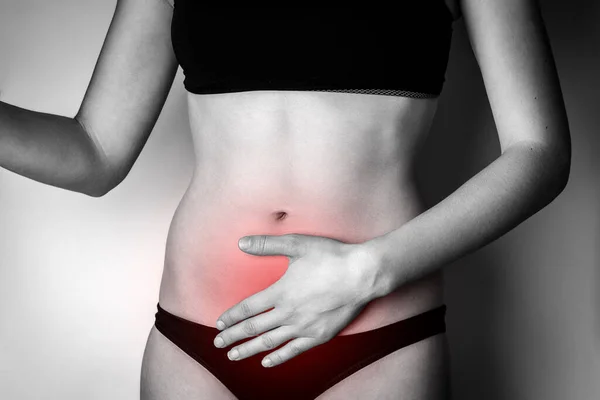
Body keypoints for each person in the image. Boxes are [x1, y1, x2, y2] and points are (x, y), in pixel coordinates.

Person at [0, 1, 571, 399]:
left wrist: (367, 271)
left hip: (375, 340)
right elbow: (95, 150)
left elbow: (539, 150)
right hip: (199, 345)